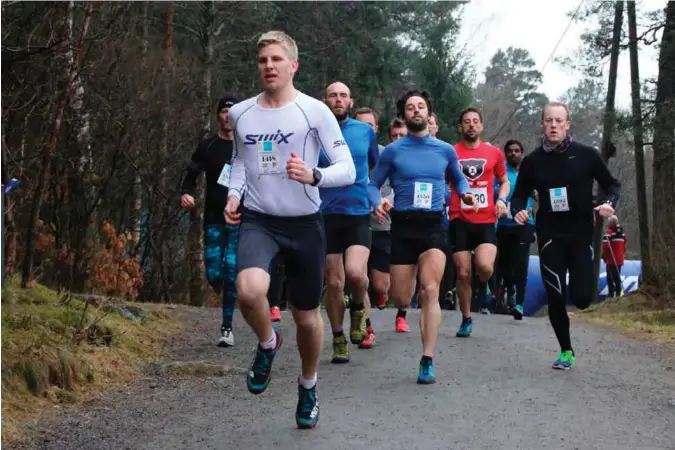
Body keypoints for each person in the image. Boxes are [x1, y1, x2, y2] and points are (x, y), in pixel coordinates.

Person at [224, 30, 356, 429]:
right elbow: (242, 161)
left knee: (305, 318)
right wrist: (234, 194)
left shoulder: (314, 111)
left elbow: (347, 169)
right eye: (263, 60)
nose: (269, 67)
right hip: (260, 219)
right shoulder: (241, 113)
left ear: (293, 65)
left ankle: (308, 384)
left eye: (277, 60)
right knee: (247, 291)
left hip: (304, 225)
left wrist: (313, 175)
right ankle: (267, 343)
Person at [369, 89, 474, 384]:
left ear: (429, 113)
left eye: (421, 106)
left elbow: (459, 178)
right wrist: (376, 202)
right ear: (404, 115)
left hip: (434, 226)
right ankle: (409, 285)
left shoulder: (444, 150)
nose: (416, 111)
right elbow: (372, 183)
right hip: (402, 226)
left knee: (430, 290)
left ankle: (427, 358)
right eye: (411, 108)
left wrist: (464, 194)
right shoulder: (393, 151)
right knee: (400, 296)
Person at [511, 101, 620, 370]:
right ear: (542, 124)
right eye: (549, 120)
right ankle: (566, 350)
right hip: (550, 236)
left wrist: (610, 204)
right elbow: (519, 196)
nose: (553, 125)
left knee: (583, 298)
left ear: (568, 124)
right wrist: (518, 212)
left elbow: (612, 184)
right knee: (555, 294)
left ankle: (574, 309)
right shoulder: (533, 162)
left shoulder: (586, 155)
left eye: (559, 121)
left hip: (581, 234)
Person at [320, 85, 380, 361]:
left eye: (343, 95)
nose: (338, 99)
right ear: (325, 100)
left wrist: (375, 198)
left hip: (357, 212)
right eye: (333, 95)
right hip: (325, 214)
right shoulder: (315, 130)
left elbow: (374, 170)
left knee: (356, 274)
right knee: (334, 283)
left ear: (350, 101)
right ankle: (338, 337)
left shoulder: (364, 131)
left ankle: (358, 309)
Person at [180, 94, 242, 347]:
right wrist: (186, 192)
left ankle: (227, 327)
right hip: (214, 217)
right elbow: (191, 174)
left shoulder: (245, 146)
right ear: (218, 115)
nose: (228, 116)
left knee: (230, 270)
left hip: (240, 217)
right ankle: (229, 294)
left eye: (233, 112)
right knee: (214, 273)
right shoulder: (208, 146)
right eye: (225, 111)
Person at [448, 107, 510, 337]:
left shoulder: (493, 153)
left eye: (475, 121)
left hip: (485, 220)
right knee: (463, 273)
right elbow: (442, 181)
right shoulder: (451, 152)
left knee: (484, 267)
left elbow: (504, 181)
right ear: (460, 127)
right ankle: (466, 317)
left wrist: (501, 199)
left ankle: (482, 284)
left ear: (481, 126)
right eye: (466, 122)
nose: (471, 125)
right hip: (459, 219)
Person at [356, 113, 413, 333]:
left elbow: (402, 188)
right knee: (358, 276)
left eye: (370, 126)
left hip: (384, 224)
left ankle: (392, 304)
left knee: (382, 284)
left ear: (376, 128)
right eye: (362, 125)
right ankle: (366, 327)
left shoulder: (387, 154)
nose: (366, 130)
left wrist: (384, 203)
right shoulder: (347, 152)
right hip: (357, 222)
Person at [494, 139, 536, 320]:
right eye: (510, 151)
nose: (513, 153)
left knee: (522, 264)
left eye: (517, 151)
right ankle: (509, 291)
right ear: (505, 154)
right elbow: (495, 192)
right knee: (505, 265)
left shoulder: (529, 173)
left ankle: (519, 302)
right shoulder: (501, 175)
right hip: (504, 225)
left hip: (525, 223)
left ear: (522, 153)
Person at [602, 215, 626, 298]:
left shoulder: (608, 232)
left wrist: (604, 256)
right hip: (619, 259)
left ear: (611, 223)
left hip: (611, 259)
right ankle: (618, 294)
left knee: (610, 278)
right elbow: (625, 245)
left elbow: (605, 247)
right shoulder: (622, 233)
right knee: (617, 276)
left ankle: (611, 294)